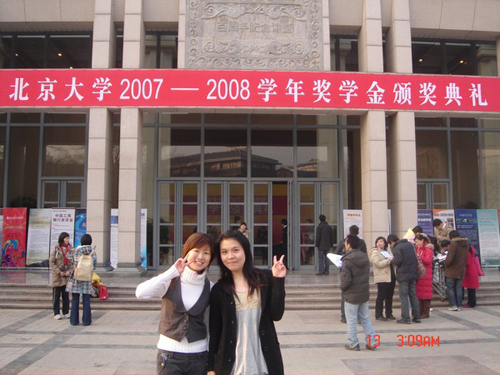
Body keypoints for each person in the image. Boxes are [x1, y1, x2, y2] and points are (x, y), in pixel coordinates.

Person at [208, 231, 286, 375]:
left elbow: (276, 314)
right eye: (224, 252)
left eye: (235, 250)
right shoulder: (219, 290)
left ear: (245, 251)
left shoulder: (265, 279)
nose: (230, 256)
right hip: (232, 367)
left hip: (264, 364)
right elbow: (215, 332)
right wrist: (211, 368)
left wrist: (278, 280)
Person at [136, 232, 214, 375]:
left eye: (206, 253)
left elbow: (209, 324)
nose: (201, 257)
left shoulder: (210, 288)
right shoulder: (170, 281)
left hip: (199, 356)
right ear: (187, 252)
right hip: (169, 357)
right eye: (196, 251)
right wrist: (172, 272)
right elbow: (140, 293)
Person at [340, 234, 377, 351]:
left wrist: (342, 288)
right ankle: (372, 342)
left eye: (346, 243)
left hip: (351, 294)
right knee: (366, 319)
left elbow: (346, 280)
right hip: (363, 293)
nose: (345, 245)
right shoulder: (365, 258)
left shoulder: (347, 260)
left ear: (349, 244)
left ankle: (353, 343)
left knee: (351, 320)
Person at [335, 224, 367, 322]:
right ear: (358, 232)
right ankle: (358, 316)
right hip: (359, 272)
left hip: (347, 270)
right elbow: (364, 255)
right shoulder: (361, 242)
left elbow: (337, 253)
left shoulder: (345, 241)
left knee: (345, 293)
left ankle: (344, 316)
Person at [66, 234, 97, 326]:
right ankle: (86, 321)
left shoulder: (76, 250)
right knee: (86, 300)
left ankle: (74, 320)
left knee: (75, 299)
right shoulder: (92, 251)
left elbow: (68, 257)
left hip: (76, 276)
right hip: (86, 277)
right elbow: (94, 265)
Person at [390, 234, 421, 324]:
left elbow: (398, 260)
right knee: (413, 295)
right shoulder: (410, 245)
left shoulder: (398, 247)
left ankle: (405, 317)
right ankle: (417, 316)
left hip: (403, 275)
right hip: (413, 273)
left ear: (392, 242)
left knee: (403, 297)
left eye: (390, 244)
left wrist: (391, 260)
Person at [369, 236, 396, 321]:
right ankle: (379, 314)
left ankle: (389, 313)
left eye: (381, 241)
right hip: (381, 277)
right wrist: (388, 261)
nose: (379, 243)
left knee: (389, 296)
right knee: (381, 296)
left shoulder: (388, 251)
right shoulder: (375, 252)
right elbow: (377, 263)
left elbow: (393, 260)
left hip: (391, 276)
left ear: (385, 243)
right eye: (378, 242)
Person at [49, 232, 72, 320]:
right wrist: (59, 271)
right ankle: (56, 312)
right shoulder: (56, 248)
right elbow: (51, 262)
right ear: (62, 239)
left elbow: (73, 262)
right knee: (56, 295)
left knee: (66, 295)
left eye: (68, 238)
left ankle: (66, 312)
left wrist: (69, 272)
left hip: (66, 275)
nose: (67, 240)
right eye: (65, 238)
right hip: (57, 276)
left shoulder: (70, 248)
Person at [444, 230, 469, 311]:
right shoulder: (466, 244)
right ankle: (459, 305)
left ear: (452, 237)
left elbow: (450, 258)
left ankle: (453, 305)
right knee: (458, 288)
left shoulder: (453, 244)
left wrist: (446, 263)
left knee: (450, 287)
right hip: (461, 269)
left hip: (452, 269)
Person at [414, 234, 434, 319]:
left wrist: (420, 256)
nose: (416, 243)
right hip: (420, 274)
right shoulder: (417, 248)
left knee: (426, 294)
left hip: (426, 274)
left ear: (422, 240)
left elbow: (428, 261)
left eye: (417, 241)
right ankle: (420, 312)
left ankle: (425, 313)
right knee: (420, 294)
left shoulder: (428, 249)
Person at [462, 244, 480, 308]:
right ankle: (471, 303)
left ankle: (471, 303)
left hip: (469, 271)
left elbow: (468, 262)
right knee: (471, 289)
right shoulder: (471, 250)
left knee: (471, 289)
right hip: (472, 270)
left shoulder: (467, 252)